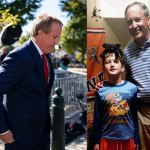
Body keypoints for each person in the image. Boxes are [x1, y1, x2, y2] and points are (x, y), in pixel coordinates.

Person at [0, 14, 62, 150]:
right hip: (19, 139)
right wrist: (2, 130)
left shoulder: (46, 55)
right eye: (55, 37)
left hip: (42, 136)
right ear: (40, 33)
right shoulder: (18, 57)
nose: (57, 42)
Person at [93, 43, 139, 150]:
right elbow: (97, 118)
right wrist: (96, 141)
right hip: (106, 138)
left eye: (116, 62)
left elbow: (135, 116)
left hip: (128, 138)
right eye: (108, 62)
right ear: (104, 67)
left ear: (122, 67)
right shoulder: (100, 90)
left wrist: (136, 138)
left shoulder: (132, 88)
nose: (112, 65)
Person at [124, 2, 150, 150]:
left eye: (137, 20)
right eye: (129, 22)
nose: (134, 25)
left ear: (148, 20)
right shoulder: (127, 52)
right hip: (143, 114)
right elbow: (127, 82)